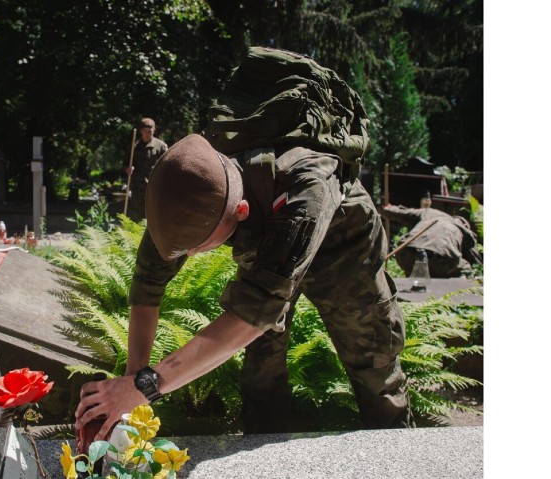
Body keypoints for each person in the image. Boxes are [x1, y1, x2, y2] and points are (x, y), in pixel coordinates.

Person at [76, 48, 413, 440]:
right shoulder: (185, 183)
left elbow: (253, 314)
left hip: (342, 250)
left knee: (373, 361)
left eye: (201, 245)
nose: (194, 255)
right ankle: (265, 452)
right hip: (271, 245)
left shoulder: (305, 192)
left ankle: (398, 449)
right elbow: (147, 285)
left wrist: (147, 385)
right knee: (261, 367)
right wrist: (133, 382)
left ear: (240, 211)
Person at [383, 204, 482, 278]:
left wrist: (388, 209)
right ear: (465, 225)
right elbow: (476, 263)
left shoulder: (430, 213)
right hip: (439, 262)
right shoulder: (464, 231)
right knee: (466, 268)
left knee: (414, 268)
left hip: (405, 254)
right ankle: (460, 297)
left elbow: (403, 213)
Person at [124, 118, 168, 222]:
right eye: (145, 130)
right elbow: (127, 163)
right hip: (138, 187)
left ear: (154, 130)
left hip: (154, 186)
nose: (148, 132)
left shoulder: (161, 146)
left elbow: (168, 164)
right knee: (137, 215)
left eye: (150, 130)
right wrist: (128, 168)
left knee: (154, 214)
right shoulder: (134, 147)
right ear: (141, 131)